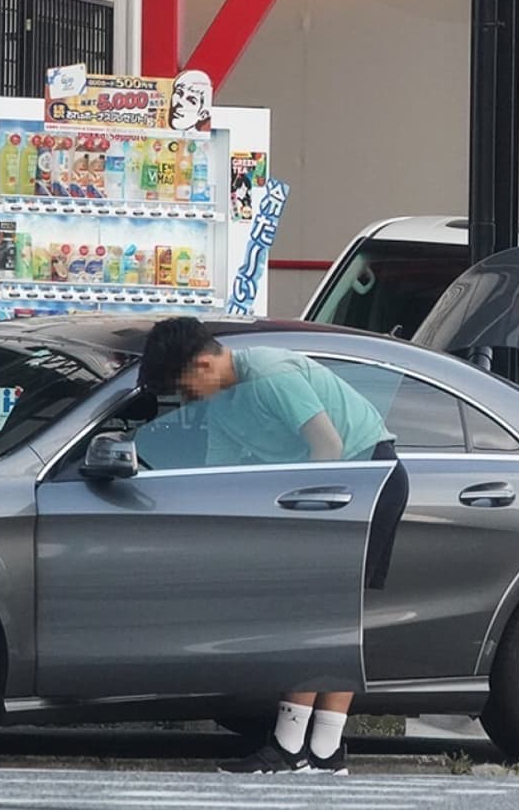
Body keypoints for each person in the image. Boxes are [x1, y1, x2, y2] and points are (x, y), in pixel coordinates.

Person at [138, 317, 409, 775]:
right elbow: (221, 475)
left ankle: (302, 748)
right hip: (325, 488)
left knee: (325, 613)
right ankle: (318, 753)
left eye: (184, 387)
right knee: (321, 614)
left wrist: (311, 519)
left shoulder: (268, 374)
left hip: (365, 478)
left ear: (204, 363)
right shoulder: (222, 400)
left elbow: (329, 445)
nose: (185, 400)